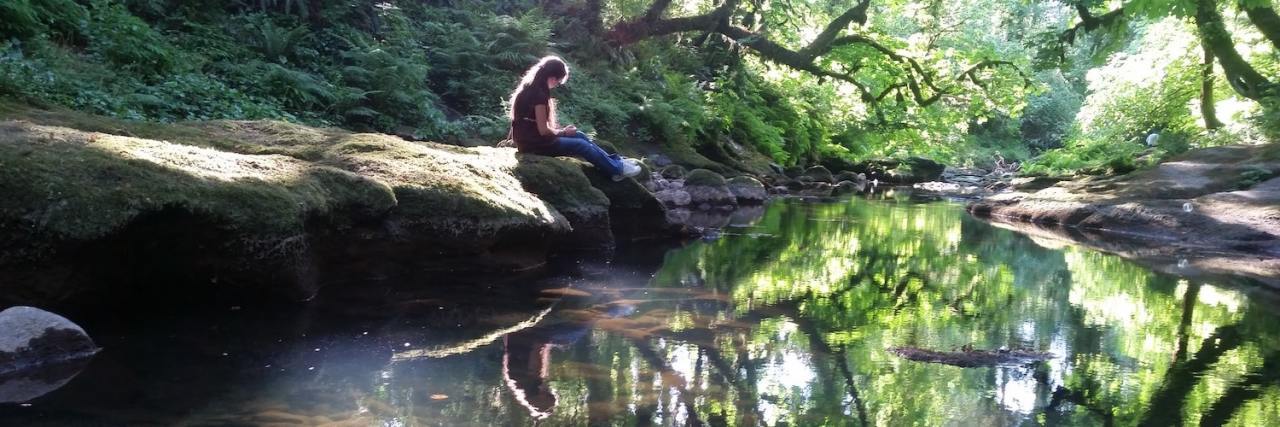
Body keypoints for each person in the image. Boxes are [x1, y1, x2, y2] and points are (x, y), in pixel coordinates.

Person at [509, 56, 641, 181]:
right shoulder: (539, 95)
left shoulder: (528, 89)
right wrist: (564, 132)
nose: (557, 84)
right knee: (581, 145)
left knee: (580, 135)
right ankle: (617, 170)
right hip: (534, 145)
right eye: (559, 82)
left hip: (529, 140)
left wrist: (564, 132)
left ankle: (615, 162)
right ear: (553, 78)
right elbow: (543, 130)